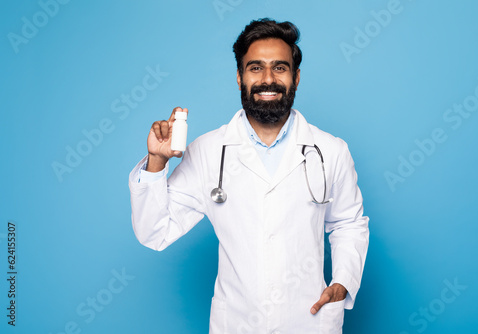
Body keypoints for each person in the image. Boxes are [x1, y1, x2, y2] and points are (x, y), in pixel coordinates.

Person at [129, 18, 369, 334]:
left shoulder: (330, 150)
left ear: (296, 77)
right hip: (236, 324)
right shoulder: (208, 151)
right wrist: (157, 161)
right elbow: (155, 231)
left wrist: (342, 282)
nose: (267, 79)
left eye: (279, 68)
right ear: (240, 77)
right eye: (255, 68)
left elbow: (347, 223)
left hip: (308, 320)